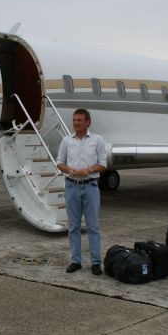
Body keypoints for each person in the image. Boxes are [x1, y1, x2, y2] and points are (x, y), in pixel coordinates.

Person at [56, 108, 107, 274]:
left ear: (87, 122)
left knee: (93, 227)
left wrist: (89, 170)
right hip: (71, 186)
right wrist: (69, 169)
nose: (76, 123)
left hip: (91, 187)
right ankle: (76, 261)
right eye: (74, 120)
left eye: (79, 120)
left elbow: (103, 163)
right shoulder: (66, 141)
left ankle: (95, 263)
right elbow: (59, 162)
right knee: (73, 227)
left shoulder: (97, 140)